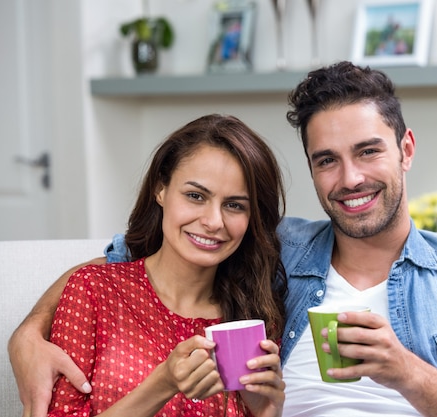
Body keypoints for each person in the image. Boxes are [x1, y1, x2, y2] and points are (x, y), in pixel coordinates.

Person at [9, 62, 437, 417]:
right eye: (327, 161)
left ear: (406, 149)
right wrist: (29, 333)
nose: (350, 179)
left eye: (368, 151)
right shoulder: (277, 253)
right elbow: (137, 254)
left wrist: (407, 373)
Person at [35, 114, 287, 417]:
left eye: (234, 205)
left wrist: (267, 412)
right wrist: (164, 382)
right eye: (195, 196)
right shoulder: (93, 291)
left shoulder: (256, 318)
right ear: (161, 190)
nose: (213, 222)